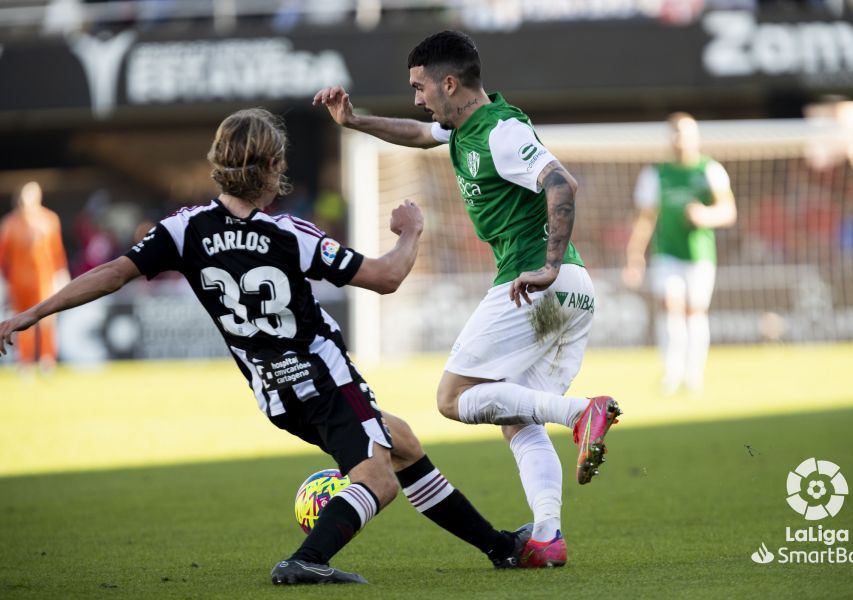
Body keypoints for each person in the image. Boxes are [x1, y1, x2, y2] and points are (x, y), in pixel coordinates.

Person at [0, 108, 531, 585]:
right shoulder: (289, 235)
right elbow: (387, 277)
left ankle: (500, 547)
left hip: (275, 395)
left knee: (403, 443)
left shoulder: (184, 231)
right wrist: (410, 232)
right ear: (271, 167)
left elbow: (112, 274)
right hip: (325, 379)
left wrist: (31, 313)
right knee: (379, 480)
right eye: (279, 163)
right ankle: (307, 559)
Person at [313, 30, 622, 569]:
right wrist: (354, 121)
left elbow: (561, 183)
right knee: (516, 418)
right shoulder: (467, 127)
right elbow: (416, 132)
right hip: (573, 294)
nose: (416, 98)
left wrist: (547, 265)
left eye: (419, 86)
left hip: (541, 287)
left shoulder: (500, 132)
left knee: (453, 398)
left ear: (448, 82)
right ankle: (547, 535)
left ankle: (580, 413)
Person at [622, 112, 737, 395]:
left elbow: (728, 211)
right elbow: (645, 218)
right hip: (667, 254)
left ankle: (693, 375)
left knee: (695, 312)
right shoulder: (656, 173)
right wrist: (634, 255)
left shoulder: (709, 170)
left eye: (685, 133)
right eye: (675, 132)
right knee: (670, 307)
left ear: (695, 136)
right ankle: (671, 374)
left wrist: (705, 216)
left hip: (700, 255)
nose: (679, 139)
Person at [0, 181, 70, 371]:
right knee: (22, 322)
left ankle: (47, 360)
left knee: (47, 319)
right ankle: (25, 362)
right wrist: (4, 282)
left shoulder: (49, 220)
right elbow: (2, 256)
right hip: (18, 282)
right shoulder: (9, 223)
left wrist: (60, 274)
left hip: (44, 279)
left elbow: (57, 252)